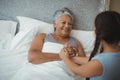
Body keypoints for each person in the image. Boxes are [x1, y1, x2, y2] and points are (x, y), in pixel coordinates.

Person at [59, 11, 120, 80]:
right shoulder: (112, 54)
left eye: (94, 27)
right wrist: (72, 58)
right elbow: (92, 61)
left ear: (97, 32)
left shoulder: (100, 63)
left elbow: (78, 70)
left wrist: (65, 58)